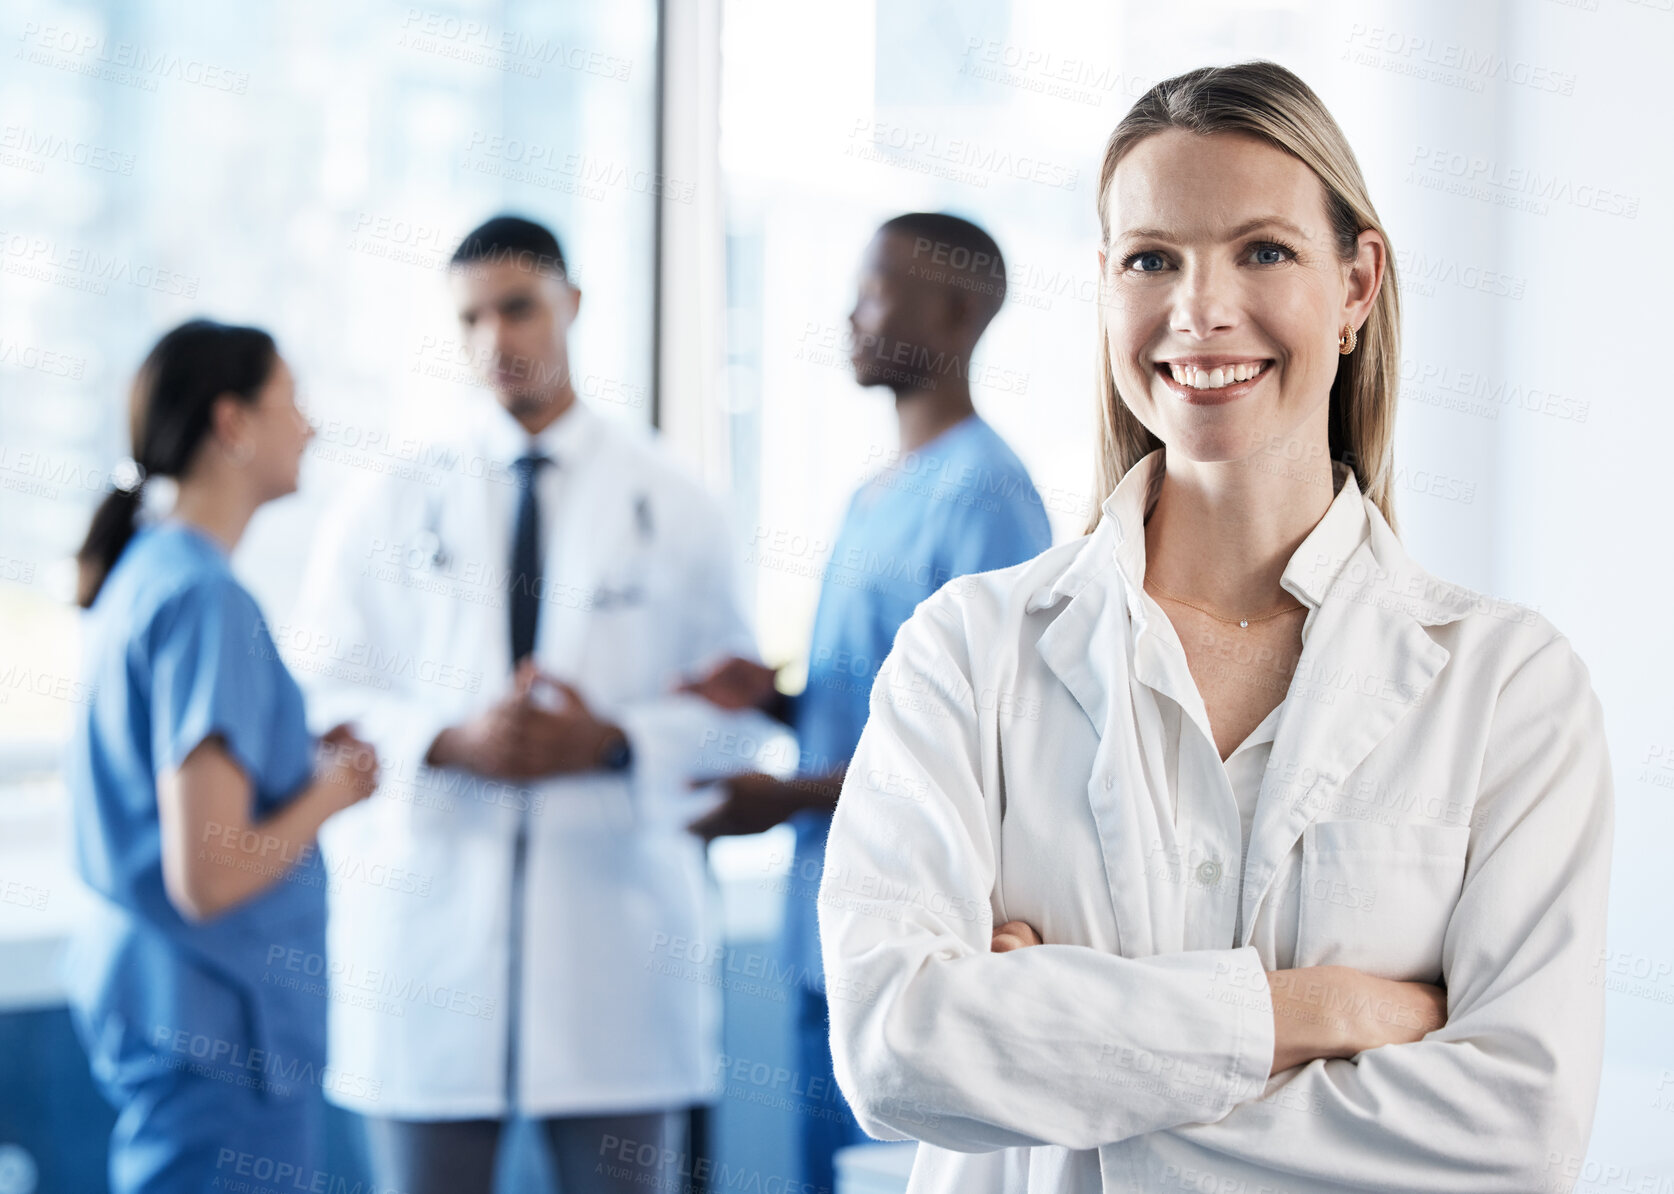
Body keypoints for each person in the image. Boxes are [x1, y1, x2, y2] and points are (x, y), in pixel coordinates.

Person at [819, 62, 1613, 1194]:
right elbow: (898, 1050)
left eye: (1264, 250)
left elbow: (1519, 1126)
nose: (1200, 309)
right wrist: (1321, 1011)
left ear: (1357, 285)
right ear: (1105, 290)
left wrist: (1064, 1061)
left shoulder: (1506, 685)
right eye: (1152, 259)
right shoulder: (967, 651)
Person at [289, 215, 777, 1194]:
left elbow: (738, 714)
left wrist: (610, 743)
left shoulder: (673, 501)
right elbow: (323, 698)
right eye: (470, 318)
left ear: (573, 306)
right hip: (428, 953)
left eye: (517, 308)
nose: (495, 342)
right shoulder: (391, 499)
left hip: (614, 948)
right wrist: (446, 740)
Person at [681, 212, 1052, 1194]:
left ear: (959, 312)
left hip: (914, 937)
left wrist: (783, 800)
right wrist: (777, 702)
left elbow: (984, 750)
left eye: (878, 290)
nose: (852, 313)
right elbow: (884, 710)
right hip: (828, 937)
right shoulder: (873, 495)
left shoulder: (987, 498)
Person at [62, 319, 380, 1194]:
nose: (310, 428)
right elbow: (208, 874)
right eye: (292, 404)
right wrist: (333, 791)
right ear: (233, 423)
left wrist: (291, 761)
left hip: (174, 1010)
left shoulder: (148, 575)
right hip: (220, 1023)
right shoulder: (207, 603)